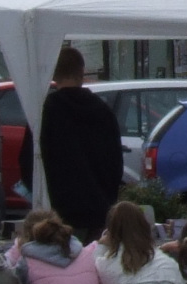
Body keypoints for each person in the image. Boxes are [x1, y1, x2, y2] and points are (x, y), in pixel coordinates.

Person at [36, 48, 124, 244]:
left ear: (53, 73)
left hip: (59, 212)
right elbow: (116, 162)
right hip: (99, 210)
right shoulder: (103, 111)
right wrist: (108, 199)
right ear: (82, 72)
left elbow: (29, 160)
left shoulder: (46, 111)